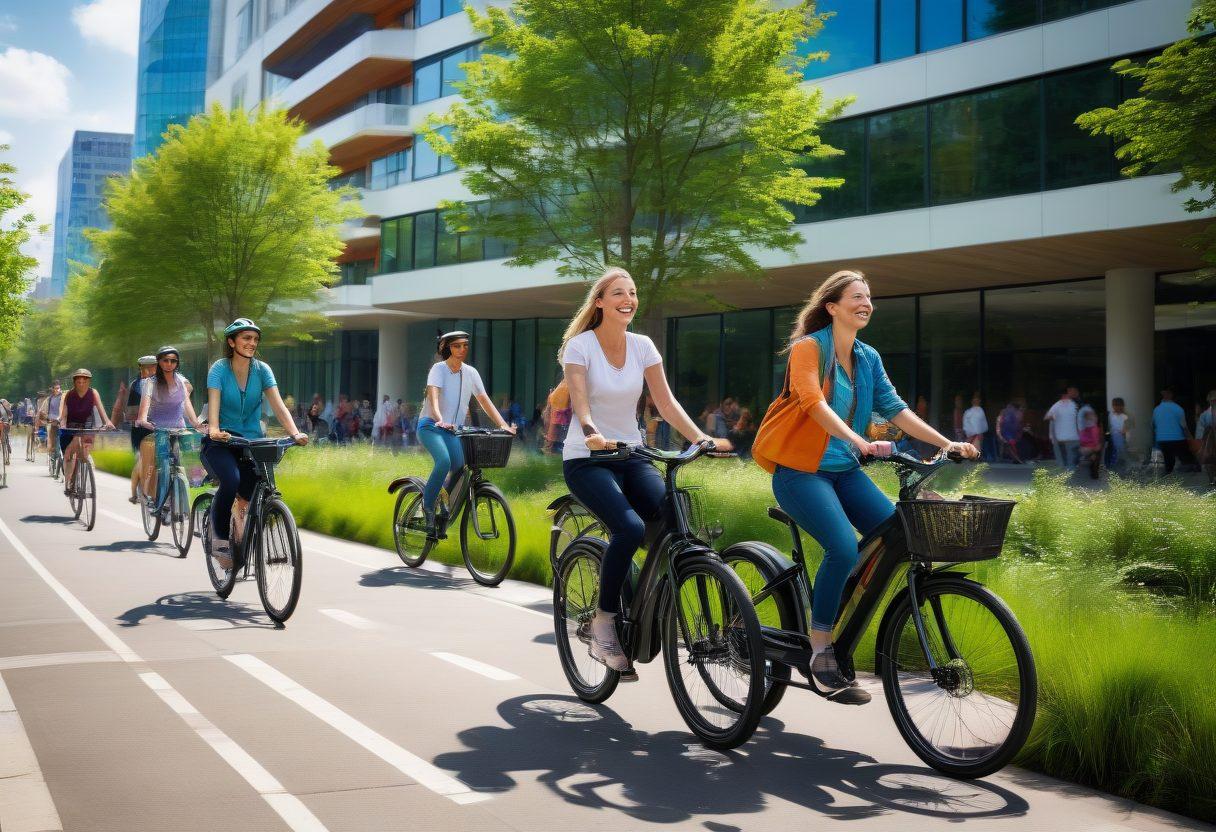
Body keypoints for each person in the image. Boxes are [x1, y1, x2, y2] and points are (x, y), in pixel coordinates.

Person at [752, 269, 977, 702]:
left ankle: (841, 617)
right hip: (800, 471)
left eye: (869, 297)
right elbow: (811, 401)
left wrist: (947, 443)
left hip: (846, 471)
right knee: (841, 546)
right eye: (856, 296)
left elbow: (895, 408)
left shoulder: (868, 357)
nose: (865, 303)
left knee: (899, 532)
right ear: (832, 307)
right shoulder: (808, 349)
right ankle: (820, 649)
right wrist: (857, 439)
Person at [560, 267, 729, 678]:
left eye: (633, 293)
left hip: (632, 453)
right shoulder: (579, 347)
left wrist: (700, 439)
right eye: (619, 292)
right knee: (630, 529)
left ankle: (644, 600)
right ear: (600, 301)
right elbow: (580, 400)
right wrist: (591, 431)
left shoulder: (642, 345)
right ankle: (603, 619)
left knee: (674, 519)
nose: (628, 299)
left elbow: (666, 404)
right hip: (588, 457)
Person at [202, 319, 308, 570]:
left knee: (258, 489)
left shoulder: (262, 370)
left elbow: (278, 404)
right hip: (221, 442)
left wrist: (294, 433)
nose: (252, 343)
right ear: (231, 342)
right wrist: (215, 429)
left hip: (250, 442)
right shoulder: (219, 369)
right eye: (246, 338)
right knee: (231, 480)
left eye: (255, 339)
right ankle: (218, 538)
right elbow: (213, 402)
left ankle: (240, 527)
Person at [418, 331, 515, 531]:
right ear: (447, 349)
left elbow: (484, 399)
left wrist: (503, 425)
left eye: (464, 345)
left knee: (460, 465)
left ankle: (442, 499)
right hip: (431, 426)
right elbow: (433, 397)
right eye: (456, 346)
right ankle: (426, 508)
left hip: (452, 430)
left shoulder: (471, 372)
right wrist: (439, 418)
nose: (462, 350)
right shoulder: (439, 369)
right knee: (444, 461)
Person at [134, 346, 203, 507]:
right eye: (166, 360)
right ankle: (160, 501)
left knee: (191, 459)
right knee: (164, 465)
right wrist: (143, 420)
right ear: (159, 362)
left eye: (173, 361)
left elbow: (187, 404)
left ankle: (190, 493)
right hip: (159, 428)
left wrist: (196, 423)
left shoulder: (181, 381)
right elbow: (144, 406)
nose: (169, 364)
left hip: (179, 427)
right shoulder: (150, 383)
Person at [58, 370, 115, 494]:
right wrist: (60, 421)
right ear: (74, 383)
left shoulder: (93, 393)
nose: (82, 384)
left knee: (84, 452)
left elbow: (101, 409)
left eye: (85, 381)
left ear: (89, 382)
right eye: (79, 382)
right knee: (68, 454)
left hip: (87, 424)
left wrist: (107, 422)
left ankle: (85, 465)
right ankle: (68, 483)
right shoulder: (69, 395)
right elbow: (64, 413)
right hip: (71, 426)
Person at [115, 355, 158, 504]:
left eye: (154, 366)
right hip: (140, 430)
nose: (152, 370)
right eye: (148, 367)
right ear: (141, 368)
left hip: (158, 427)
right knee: (141, 460)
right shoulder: (137, 385)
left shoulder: (162, 382)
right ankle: (134, 493)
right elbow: (130, 411)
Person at [1152, 388, 1191, 475]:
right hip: (1177, 438)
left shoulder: (1156, 410)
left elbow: (1154, 425)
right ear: (1171, 395)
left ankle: (1168, 473)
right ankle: (1182, 472)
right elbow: (1184, 426)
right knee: (1183, 457)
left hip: (1162, 439)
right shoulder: (1178, 409)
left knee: (1167, 458)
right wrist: (1190, 437)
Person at [1044, 388, 1080, 468]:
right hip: (1071, 438)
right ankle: (1070, 472)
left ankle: (1068, 473)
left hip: (1063, 439)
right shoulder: (1073, 405)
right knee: (1070, 460)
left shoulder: (1059, 406)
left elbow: (1048, 419)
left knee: (1065, 460)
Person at [37, 381, 64, 456]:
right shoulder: (49, 399)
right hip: (51, 422)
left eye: (58, 388)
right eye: (55, 388)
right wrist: (45, 418)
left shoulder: (64, 397)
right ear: (52, 389)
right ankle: (52, 455)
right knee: (51, 442)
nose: (57, 390)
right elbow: (42, 411)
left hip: (62, 421)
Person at [1196, 390, 1216, 486]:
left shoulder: (1205, 414)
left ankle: (1212, 479)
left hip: (1209, 438)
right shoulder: (1205, 415)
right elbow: (1200, 428)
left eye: (1215, 400)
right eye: (1212, 400)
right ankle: (1212, 480)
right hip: (1209, 439)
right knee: (1208, 459)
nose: (1213, 402)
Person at [1107, 397, 1132, 470]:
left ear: (1121, 406)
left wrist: (1123, 432)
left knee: (1121, 452)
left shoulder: (1126, 416)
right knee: (1115, 453)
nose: (1114, 407)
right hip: (1113, 437)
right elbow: (1109, 427)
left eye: (1116, 405)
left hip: (1121, 437)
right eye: (1114, 405)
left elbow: (1127, 428)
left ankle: (1123, 466)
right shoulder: (1111, 415)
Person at [1078, 410, 1103, 479]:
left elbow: (1096, 439)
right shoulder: (1088, 429)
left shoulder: (1093, 429)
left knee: (1095, 454)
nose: (1090, 420)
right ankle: (1093, 462)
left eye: (1092, 418)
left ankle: (1093, 460)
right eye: (1088, 419)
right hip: (1089, 448)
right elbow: (1082, 440)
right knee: (1094, 454)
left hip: (1090, 448)